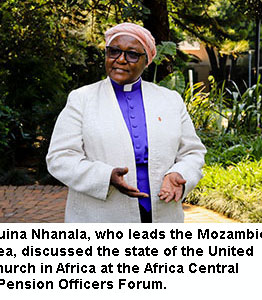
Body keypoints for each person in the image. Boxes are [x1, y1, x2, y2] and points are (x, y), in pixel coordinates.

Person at [46, 22, 206, 223]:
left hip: (162, 212)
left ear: (146, 61)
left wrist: (179, 174)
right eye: (113, 52)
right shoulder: (82, 99)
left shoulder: (170, 100)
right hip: (100, 215)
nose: (120, 60)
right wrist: (105, 176)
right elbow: (60, 158)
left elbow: (193, 152)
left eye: (132, 54)